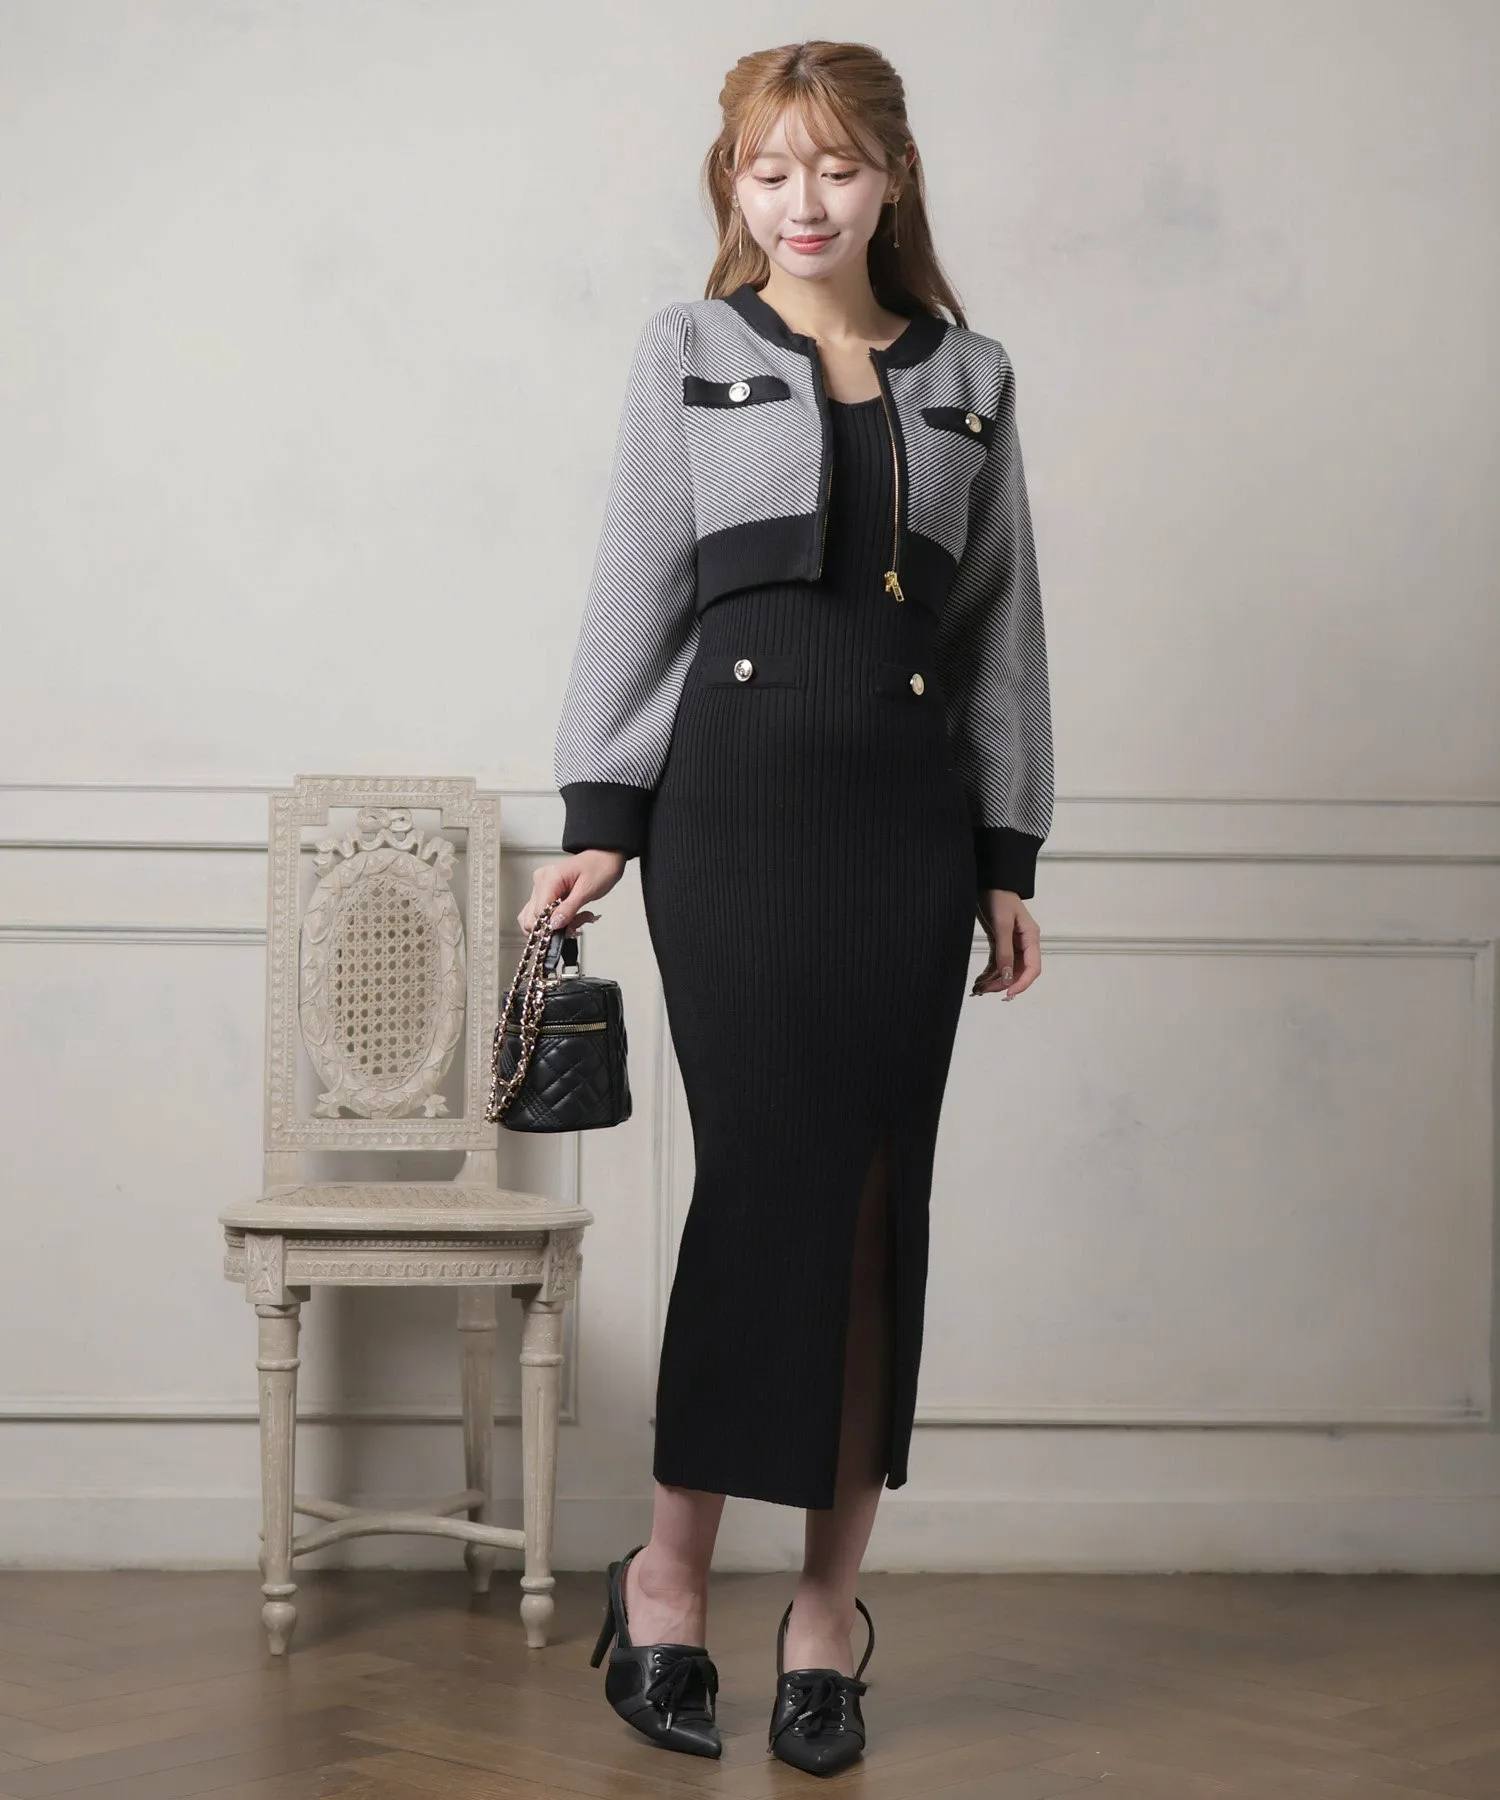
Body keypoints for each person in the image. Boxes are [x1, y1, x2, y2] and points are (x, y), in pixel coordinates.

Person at [518, 38, 1054, 1777]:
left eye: (833, 166)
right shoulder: (686, 352)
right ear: (732, 185)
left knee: (879, 1210)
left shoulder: (971, 374)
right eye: (768, 169)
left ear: (892, 178)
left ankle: (825, 1617)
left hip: (908, 834)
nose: (801, 200)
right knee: (762, 1194)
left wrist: (1006, 854)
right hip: (733, 818)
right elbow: (633, 586)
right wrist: (603, 813)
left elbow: (999, 633)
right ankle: (665, 1585)